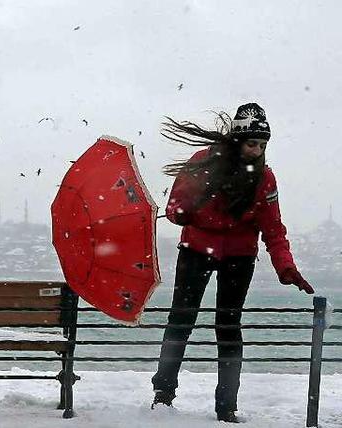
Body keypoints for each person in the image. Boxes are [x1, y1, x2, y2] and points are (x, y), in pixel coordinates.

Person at [150, 103, 314, 423]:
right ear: (237, 140)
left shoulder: (264, 178)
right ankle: (163, 394)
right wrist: (182, 213)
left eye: (263, 145)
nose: (257, 150)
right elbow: (174, 207)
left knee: (227, 326)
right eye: (252, 143)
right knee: (181, 320)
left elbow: (274, 228)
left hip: (239, 256)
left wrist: (286, 266)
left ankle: (226, 405)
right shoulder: (203, 162)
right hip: (196, 249)